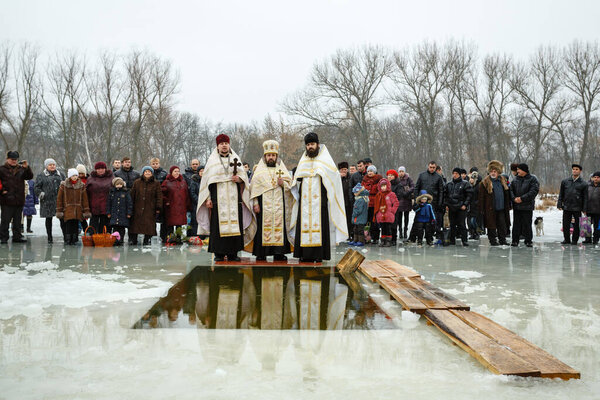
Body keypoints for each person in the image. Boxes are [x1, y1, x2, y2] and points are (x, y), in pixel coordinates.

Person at [196, 134, 256, 261]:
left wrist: (239, 179)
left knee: (235, 225)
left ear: (229, 145)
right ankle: (219, 253)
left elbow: (244, 178)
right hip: (218, 199)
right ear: (217, 146)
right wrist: (208, 199)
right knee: (218, 226)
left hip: (234, 200)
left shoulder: (236, 160)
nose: (224, 145)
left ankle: (233, 253)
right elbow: (206, 182)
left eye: (226, 143)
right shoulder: (212, 162)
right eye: (221, 143)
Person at [291, 132, 347, 262]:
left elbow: (334, 176)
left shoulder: (325, 160)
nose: (310, 147)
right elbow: (297, 179)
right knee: (304, 226)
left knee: (320, 227)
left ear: (318, 144)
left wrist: (322, 174)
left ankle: (319, 255)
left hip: (319, 203)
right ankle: (303, 254)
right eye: (308, 145)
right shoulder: (303, 161)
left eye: (312, 144)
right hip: (305, 203)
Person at [250, 140, 295, 261]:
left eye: (273, 155)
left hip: (279, 206)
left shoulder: (282, 170)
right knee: (262, 227)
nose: (271, 157)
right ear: (265, 157)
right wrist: (255, 203)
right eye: (269, 155)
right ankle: (261, 253)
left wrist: (283, 183)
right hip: (263, 206)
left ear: (276, 157)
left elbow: (290, 186)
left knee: (279, 227)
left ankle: (279, 253)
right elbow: (253, 189)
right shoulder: (259, 172)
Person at [0, 151, 33, 243]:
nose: (14, 161)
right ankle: (3, 237)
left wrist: (27, 168)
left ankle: (17, 236)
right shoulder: (2, 169)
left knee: (18, 220)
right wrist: (2, 191)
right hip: (6, 199)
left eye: (15, 159)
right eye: (12, 159)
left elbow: (29, 176)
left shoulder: (21, 169)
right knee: (5, 220)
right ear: (7, 159)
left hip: (18, 199)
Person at [478, 161, 510, 246]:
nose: (493, 173)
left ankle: (502, 240)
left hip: (501, 208)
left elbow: (507, 194)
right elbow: (481, 198)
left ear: (498, 172)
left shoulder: (503, 181)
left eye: (495, 171)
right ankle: (492, 241)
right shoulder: (484, 183)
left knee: (502, 225)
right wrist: (481, 209)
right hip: (490, 208)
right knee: (491, 225)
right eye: (491, 171)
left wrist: (508, 205)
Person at [34, 158, 66, 243]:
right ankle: (49, 237)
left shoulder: (61, 175)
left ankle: (66, 236)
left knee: (62, 219)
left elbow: (66, 185)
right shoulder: (41, 175)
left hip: (59, 201)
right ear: (46, 166)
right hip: (47, 201)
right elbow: (36, 187)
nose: (52, 166)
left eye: (53, 164)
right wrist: (41, 194)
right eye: (50, 165)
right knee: (49, 220)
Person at [56, 168, 91, 245]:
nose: (75, 177)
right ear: (69, 176)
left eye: (76, 175)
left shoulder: (81, 185)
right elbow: (59, 199)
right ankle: (68, 239)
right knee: (68, 225)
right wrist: (59, 210)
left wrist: (86, 210)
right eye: (73, 175)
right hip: (67, 209)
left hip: (77, 209)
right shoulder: (64, 185)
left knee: (75, 224)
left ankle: (74, 239)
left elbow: (85, 199)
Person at [129, 166, 162, 245]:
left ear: (151, 173)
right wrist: (130, 206)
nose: (147, 173)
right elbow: (132, 194)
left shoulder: (156, 183)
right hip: (137, 206)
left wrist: (158, 207)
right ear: (143, 173)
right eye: (146, 171)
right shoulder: (137, 182)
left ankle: (147, 239)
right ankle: (133, 239)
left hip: (150, 207)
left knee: (149, 224)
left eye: (149, 172)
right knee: (135, 224)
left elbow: (159, 196)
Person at [557, 163, 588, 245]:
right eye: (573, 169)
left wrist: (584, 208)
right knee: (566, 224)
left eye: (576, 169)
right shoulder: (565, 181)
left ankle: (574, 240)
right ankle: (566, 239)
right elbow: (561, 194)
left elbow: (585, 197)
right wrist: (559, 203)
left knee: (577, 225)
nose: (574, 171)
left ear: (580, 171)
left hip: (577, 207)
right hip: (566, 206)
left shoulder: (583, 183)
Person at [510, 163, 539, 247]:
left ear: (524, 170)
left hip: (527, 206)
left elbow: (533, 191)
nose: (517, 171)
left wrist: (522, 198)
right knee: (516, 224)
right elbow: (511, 190)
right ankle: (515, 240)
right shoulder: (515, 180)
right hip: (517, 206)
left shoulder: (532, 179)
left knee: (527, 224)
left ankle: (528, 240)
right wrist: (514, 198)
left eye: (519, 169)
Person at [444, 167, 473, 246]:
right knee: (452, 224)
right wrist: (446, 204)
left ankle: (464, 240)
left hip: (461, 207)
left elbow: (469, 195)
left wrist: (465, 205)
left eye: (456, 173)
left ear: (459, 174)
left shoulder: (465, 183)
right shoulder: (449, 184)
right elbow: (445, 195)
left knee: (462, 224)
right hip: (451, 206)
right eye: (454, 173)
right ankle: (452, 240)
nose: (455, 175)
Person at [414, 161, 445, 236]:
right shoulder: (422, 175)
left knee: (431, 221)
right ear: (428, 166)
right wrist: (416, 199)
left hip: (433, 202)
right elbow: (416, 188)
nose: (432, 169)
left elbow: (441, 191)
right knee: (419, 220)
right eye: (430, 167)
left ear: (435, 167)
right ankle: (415, 236)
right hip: (422, 202)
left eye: (433, 167)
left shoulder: (438, 177)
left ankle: (429, 236)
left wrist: (440, 203)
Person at [161, 166, 190, 241]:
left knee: (179, 224)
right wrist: (166, 201)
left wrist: (187, 204)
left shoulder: (183, 181)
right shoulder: (166, 182)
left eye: (178, 171)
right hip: (171, 207)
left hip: (181, 206)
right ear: (171, 172)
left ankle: (179, 238)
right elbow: (162, 194)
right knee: (170, 223)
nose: (177, 173)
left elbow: (186, 193)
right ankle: (170, 238)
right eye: (175, 171)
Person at [86, 161, 114, 233]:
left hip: (106, 206)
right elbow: (86, 193)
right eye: (98, 168)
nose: (100, 170)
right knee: (93, 226)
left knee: (105, 227)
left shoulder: (111, 178)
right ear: (96, 169)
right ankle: (92, 239)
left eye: (102, 168)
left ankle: (103, 240)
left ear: (105, 169)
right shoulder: (90, 178)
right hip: (94, 206)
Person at [389, 167, 414, 242]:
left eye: (402, 171)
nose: (401, 173)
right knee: (399, 217)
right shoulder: (396, 180)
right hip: (399, 201)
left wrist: (407, 191)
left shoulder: (408, 179)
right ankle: (400, 231)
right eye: (399, 171)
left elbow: (413, 187)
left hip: (406, 200)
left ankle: (405, 231)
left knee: (406, 217)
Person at [106, 177, 133, 245]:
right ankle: (115, 239)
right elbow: (109, 203)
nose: (119, 185)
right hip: (114, 214)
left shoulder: (126, 192)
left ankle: (121, 239)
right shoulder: (112, 192)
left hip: (123, 214)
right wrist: (108, 212)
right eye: (117, 184)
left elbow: (129, 203)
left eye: (120, 184)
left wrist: (129, 212)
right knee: (115, 228)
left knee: (122, 228)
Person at [374, 179, 399, 247]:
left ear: (387, 186)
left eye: (384, 186)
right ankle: (383, 240)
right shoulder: (379, 194)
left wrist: (392, 210)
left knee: (388, 228)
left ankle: (388, 241)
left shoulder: (391, 194)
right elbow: (376, 204)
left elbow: (396, 203)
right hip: (381, 214)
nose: (383, 187)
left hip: (388, 215)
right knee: (383, 228)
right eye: (381, 186)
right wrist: (377, 213)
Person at [362, 165, 382, 244]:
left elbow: (377, 190)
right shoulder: (364, 179)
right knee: (366, 221)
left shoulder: (379, 180)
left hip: (375, 204)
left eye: (371, 171)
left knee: (374, 221)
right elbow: (362, 189)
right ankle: (367, 237)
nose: (370, 173)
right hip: (366, 203)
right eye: (369, 171)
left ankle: (375, 237)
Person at [338, 161, 353, 241]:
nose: (344, 171)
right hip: (340, 202)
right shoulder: (337, 177)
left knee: (349, 218)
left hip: (348, 201)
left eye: (345, 169)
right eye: (342, 170)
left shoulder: (351, 177)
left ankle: (350, 233)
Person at [585, 171, 600, 245]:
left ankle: (596, 239)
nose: (596, 179)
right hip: (588, 209)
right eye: (595, 177)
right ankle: (587, 239)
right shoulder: (588, 186)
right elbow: (584, 198)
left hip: (598, 210)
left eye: (598, 177)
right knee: (586, 224)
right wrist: (583, 208)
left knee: (597, 226)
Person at [187, 166, 202, 237]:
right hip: (196, 204)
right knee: (195, 220)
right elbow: (192, 193)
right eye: (201, 171)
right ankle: (194, 235)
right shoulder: (194, 181)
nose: (202, 172)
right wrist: (198, 201)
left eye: (203, 171)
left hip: (205, 204)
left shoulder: (207, 180)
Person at [467, 171, 481, 239]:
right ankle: (472, 233)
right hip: (470, 206)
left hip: (475, 207)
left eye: (472, 178)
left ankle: (476, 233)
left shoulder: (478, 186)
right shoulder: (469, 186)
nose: (470, 180)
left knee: (474, 221)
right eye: (470, 178)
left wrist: (476, 203)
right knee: (470, 222)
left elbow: (480, 197)